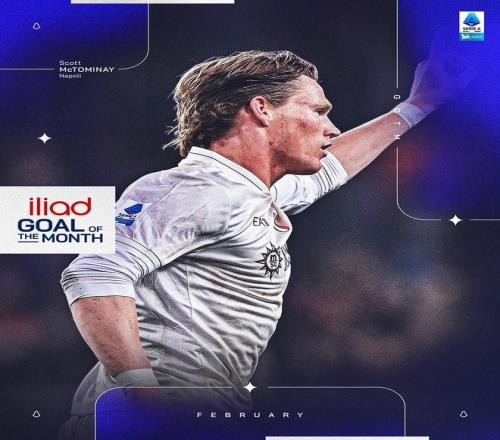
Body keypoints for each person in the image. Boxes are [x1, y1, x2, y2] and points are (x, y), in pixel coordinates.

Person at [58, 48, 472, 439]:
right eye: (317, 111)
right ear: (262, 109)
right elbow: (93, 273)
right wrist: (143, 392)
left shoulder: (248, 192)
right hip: (148, 420)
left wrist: (417, 105)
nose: (331, 128)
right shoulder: (192, 188)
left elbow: (331, 171)